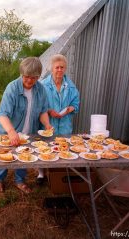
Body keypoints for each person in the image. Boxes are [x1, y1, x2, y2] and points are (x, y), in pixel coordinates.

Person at [0, 57, 53, 194]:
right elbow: (3, 114)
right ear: (21, 74)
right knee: (4, 154)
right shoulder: (12, 88)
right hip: (7, 129)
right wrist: (11, 131)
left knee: (24, 155)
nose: (29, 80)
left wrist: (47, 124)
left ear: (38, 76)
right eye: (26, 77)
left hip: (27, 131)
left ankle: (19, 180)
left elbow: (43, 111)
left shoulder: (41, 90)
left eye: (34, 77)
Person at [36, 54, 80, 184]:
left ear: (65, 69)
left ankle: (58, 173)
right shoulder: (42, 85)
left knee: (62, 147)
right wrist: (49, 111)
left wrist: (69, 109)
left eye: (62, 67)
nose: (59, 70)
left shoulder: (71, 87)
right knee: (45, 147)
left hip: (64, 123)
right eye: (57, 67)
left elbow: (76, 104)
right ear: (51, 68)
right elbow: (38, 106)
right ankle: (41, 173)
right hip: (47, 123)